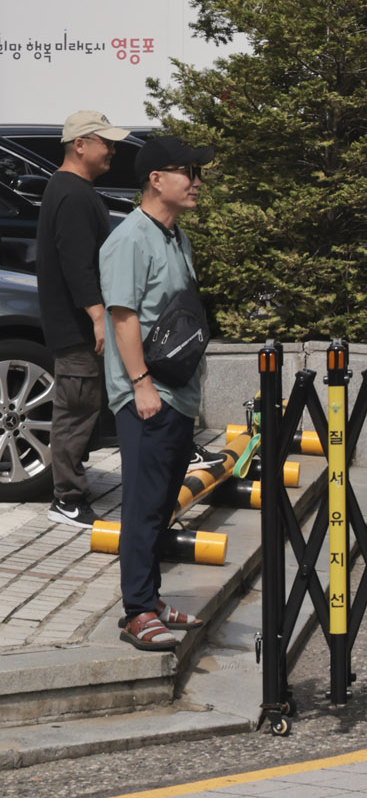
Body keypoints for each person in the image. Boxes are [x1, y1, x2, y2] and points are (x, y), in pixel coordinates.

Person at [99, 132, 214, 652]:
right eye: (188, 172)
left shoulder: (175, 236)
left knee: (164, 503)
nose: (196, 182)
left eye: (198, 172)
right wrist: (141, 384)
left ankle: (151, 598)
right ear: (156, 179)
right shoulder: (129, 239)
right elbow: (123, 317)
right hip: (147, 394)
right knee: (144, 506)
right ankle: (137, 612)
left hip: (177, 391)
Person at [36, 109, 130, 526]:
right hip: (74, 326)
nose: (112, 150)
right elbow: (76, 263)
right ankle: (67, 500)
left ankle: (71, 490)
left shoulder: (70, 188)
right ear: (80, 145)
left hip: (74, 323)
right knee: (75, 411)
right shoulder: (73, 194)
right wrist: (95, 314)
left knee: (83, 408)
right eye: (105, 142)